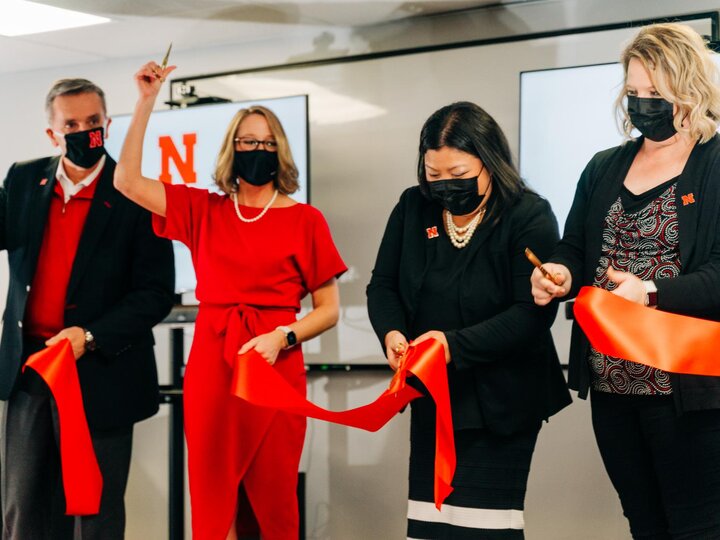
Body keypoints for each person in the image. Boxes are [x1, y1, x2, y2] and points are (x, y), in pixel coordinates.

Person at [114, 61, 346, 540]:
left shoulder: (306, 221)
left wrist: (281, 337)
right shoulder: (205, 210)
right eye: (247, 142)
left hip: (275, 364)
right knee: (212, 490)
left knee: (273, 495)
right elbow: (127, 181)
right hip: (213, 365)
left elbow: (328, 310)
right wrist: (145, 102)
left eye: (266, 143)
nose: (257, 150)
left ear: (279, 151)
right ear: (232, 150)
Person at [531, 23, 720, 539]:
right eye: (633, 93)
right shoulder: (603, 167)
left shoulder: (715, 163)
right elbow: (573, 246)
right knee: (645, 526)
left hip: (689, 389)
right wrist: (561, 273)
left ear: (691, 89)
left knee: (699, 528)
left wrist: (650, 292)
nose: (641, 105)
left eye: (655, 94)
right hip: (613, 384)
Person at [367, 101, 571, 539]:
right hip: (434, 396)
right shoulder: (412, 207)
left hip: (504, 399)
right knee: (430, 525)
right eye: (434, 175)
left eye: (458, 175)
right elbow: (382, 286)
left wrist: (450, 346)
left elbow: (530, 316)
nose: (444, 187)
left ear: (490, 162)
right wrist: (392, 333)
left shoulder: (527, 213)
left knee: (484, 529)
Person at [0, 78, 175, 539]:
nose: (85, 132)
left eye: (93, 122)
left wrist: (89, 335)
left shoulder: (138, 193)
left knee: (94, 515)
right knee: (24, 510)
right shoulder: (22, 179)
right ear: (51, 134)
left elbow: (156, 292)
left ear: (108, 124)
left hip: (101, 371)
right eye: (72, 124)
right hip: (31, 370)